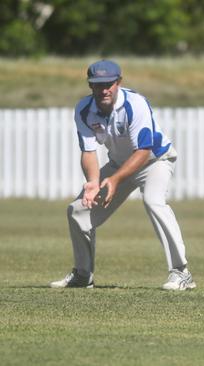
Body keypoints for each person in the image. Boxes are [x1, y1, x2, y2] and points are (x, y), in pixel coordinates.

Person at [50, 60, 195, 291]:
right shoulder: (84, 109)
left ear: (119, 82)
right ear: (90, 86)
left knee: (153, 201)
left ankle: (181, 272)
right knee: (77, 211)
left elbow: (144, 149)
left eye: (109, 83)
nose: (104, 89)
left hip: (155, 160)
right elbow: (88, 152)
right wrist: (93, 183)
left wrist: (115, 180)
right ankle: (83, 275)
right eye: (98, 85)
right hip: (120, 165)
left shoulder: (135, 104)